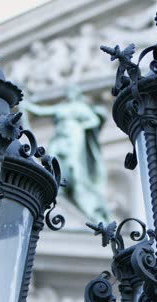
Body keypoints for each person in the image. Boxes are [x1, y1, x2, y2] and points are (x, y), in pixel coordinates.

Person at [23, 86, 110, 220]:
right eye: (69, 92)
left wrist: (80, 127)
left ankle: (72, 188)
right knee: (54, 159)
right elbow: (40, 111)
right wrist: (25, 104)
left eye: (73, 92)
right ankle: (58, 188)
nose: (70, 94)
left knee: (73, 163)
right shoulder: (62, 108)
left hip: (74, 136)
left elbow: (94, 121)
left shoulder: (81, 108)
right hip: (59, 136)